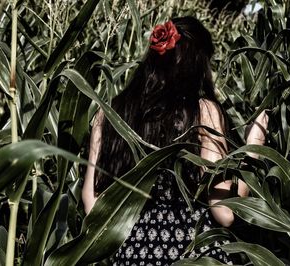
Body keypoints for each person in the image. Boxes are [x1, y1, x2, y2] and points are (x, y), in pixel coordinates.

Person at [82, 16, 268, 265]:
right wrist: (253, 148)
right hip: (193, 253)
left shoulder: (109, 113)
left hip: (131, 254)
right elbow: (225, 213)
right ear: (197, 63)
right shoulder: (203, 112)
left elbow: (93, 208)